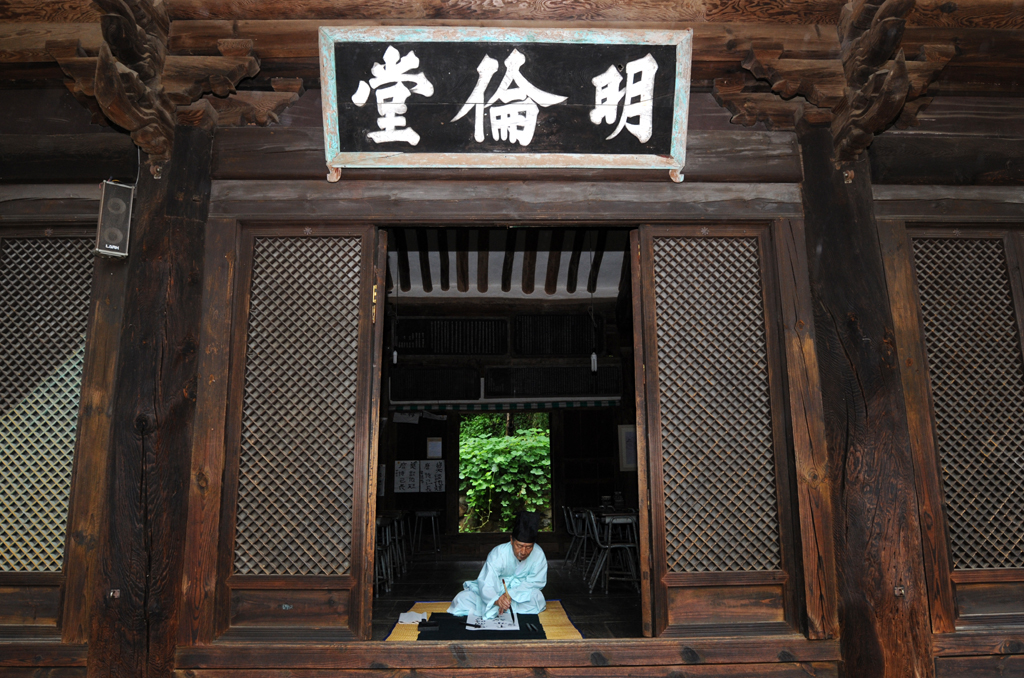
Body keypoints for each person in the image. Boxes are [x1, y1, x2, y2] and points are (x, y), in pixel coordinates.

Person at [447, 511, 547, 619]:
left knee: (538, 599)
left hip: (519, 594)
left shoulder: (538, 554)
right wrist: (497, 600)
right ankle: (500, 607)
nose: (523, 552)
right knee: (462, 598)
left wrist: (511, 594)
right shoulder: (499, 553)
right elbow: (487, 580)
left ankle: (500, 608)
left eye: (529, 547)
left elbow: (535, 582)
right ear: (511, 540)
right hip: (495, 590)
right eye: (519, 546)